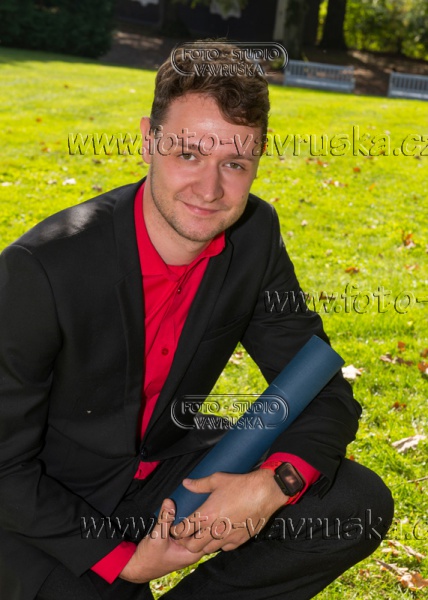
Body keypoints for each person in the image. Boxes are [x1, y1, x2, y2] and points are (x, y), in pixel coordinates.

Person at [0, 41, 393, 600]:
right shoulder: (41, 269)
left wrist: (273, 483)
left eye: (234, 164)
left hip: (164, 475)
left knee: (353, 504)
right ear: (148, 140)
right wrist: (126, 561)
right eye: (188, 154)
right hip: (50, 506)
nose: (210, 191)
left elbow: (321, 388)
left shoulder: (252, 236)